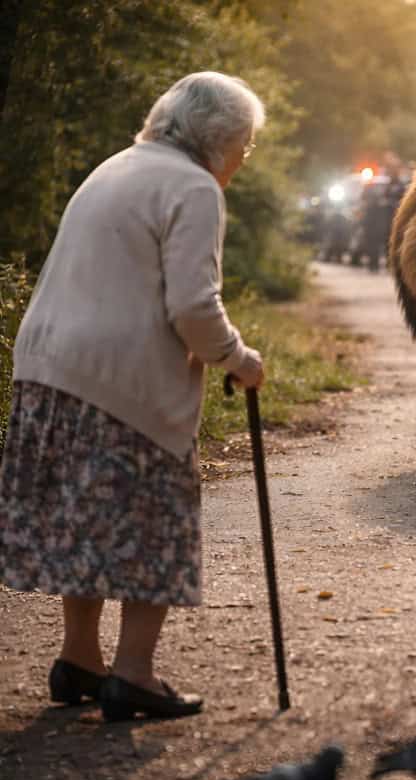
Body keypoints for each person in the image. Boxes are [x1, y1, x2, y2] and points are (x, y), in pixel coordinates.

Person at [0, 72, 265, 721]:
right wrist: (239, 359)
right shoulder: (193, 186)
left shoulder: (113, 168)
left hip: (48, 369)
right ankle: (135, 673)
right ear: (221, 137)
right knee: (152, 520)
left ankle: (80, 659)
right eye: (246, 142)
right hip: (121, 380)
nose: (245, 155)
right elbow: (193, 307)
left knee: (89, 519)